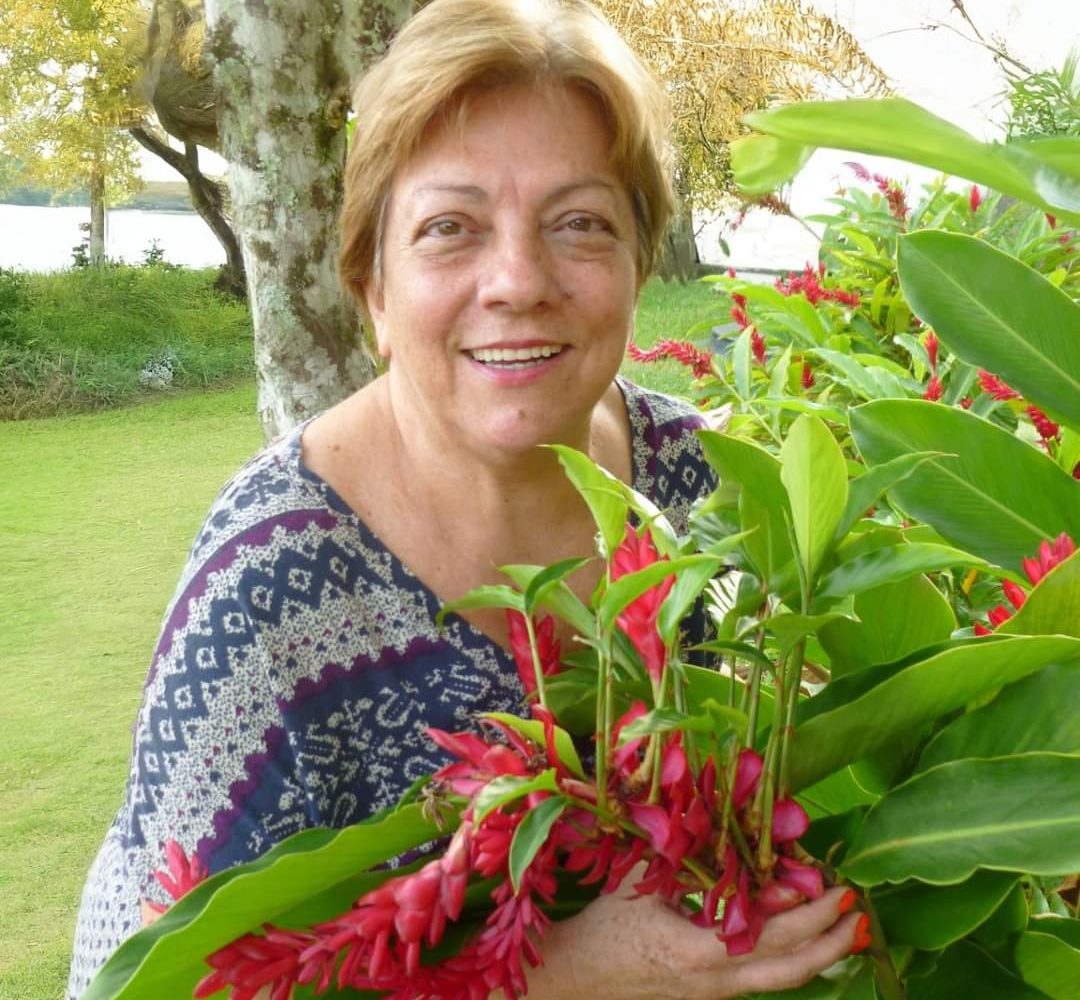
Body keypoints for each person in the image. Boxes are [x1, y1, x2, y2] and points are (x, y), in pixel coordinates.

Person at [67, 0, 863, 996]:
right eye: (452, 228)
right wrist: (556, 979)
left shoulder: (709, 488)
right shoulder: (266, 594)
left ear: (635, 263)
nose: (519, 279)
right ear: (374, 290)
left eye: (580, 223)